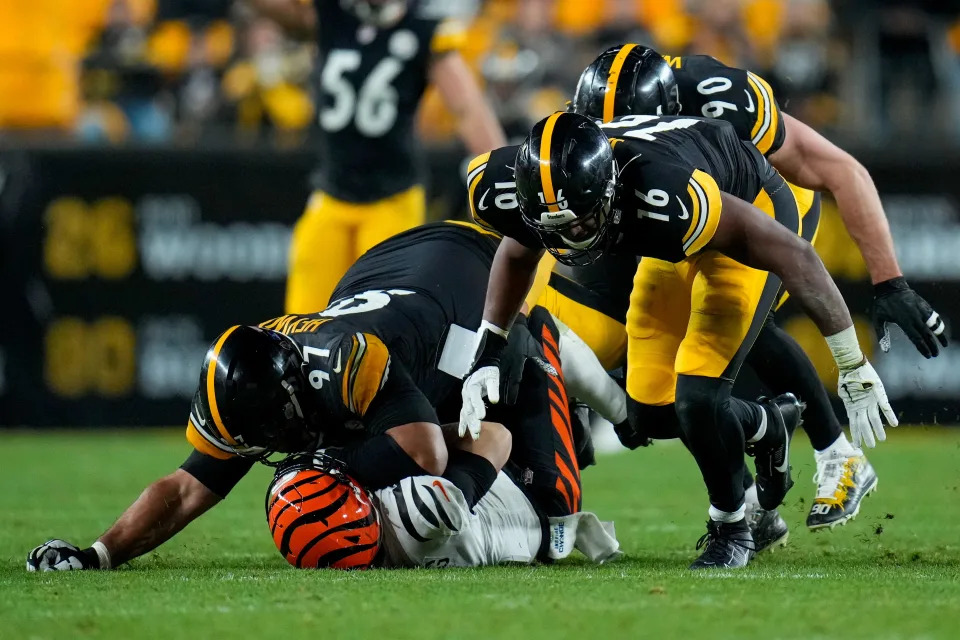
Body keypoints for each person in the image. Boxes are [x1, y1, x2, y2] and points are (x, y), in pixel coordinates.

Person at [25, 221, 618, 572]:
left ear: (292, 403)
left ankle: (560, 358)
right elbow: (183, 490)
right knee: (418, 506)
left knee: (549, 504)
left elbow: (429, 453)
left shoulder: (347, 367)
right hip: (385, 280)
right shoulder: (239, 391)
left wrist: (332, 464)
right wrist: (98, 554)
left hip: (464, 272)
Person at [459, 111, 896, 569]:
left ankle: (732, 528)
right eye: (556, 228)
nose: (570, 239)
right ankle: (765, 425)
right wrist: (489, 348)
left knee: (698, 394)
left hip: (748, 207)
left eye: (581, 223)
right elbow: (517, 252)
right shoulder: (521, 186)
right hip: (676, 232)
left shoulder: (664, 193)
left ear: (606, 190)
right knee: (648, 410)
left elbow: (796, 254)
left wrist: (851, 362)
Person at [559, 44, 933, 531]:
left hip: (765, 203)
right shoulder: (607, 154)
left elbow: (838, 170)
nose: (617, 143)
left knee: (735, 321)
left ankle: (837, 454)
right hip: (694, 212)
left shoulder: (723, 100)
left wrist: (889, 281)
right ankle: (764, 451)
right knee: (652, 402)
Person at [249, 0, 506, 313]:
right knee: (302, 321)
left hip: (391, 198)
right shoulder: (331, 15)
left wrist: (502, 171)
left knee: (381, 320)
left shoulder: (422, 31)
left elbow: (467, 109)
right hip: (332, 194)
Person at [264, 451, 621, 570]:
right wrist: (432, 435)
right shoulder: (415, 513)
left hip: (521, 510)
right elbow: (496, 437)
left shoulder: (361, 550)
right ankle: (622, 412)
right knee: (531, 334)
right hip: (545, 495)